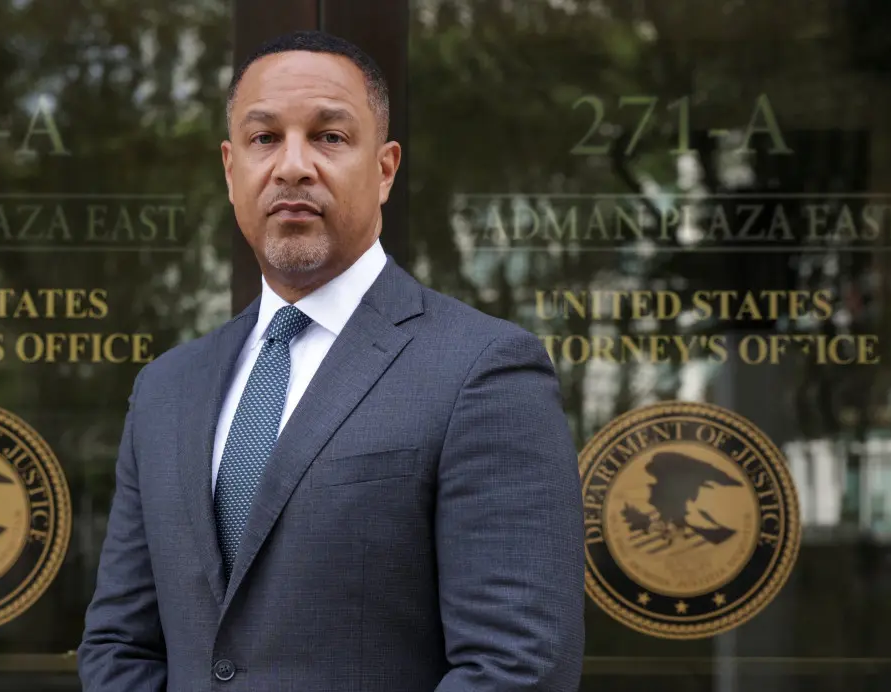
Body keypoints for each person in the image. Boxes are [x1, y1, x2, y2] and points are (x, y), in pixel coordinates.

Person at [78, 30, 584, 692]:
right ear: (231, 171)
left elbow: (518, 667)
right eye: (265, 139)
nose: (292, 166)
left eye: (329, 137)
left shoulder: (483, 371)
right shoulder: (167, 389)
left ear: (384, 169)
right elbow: (120, 646)